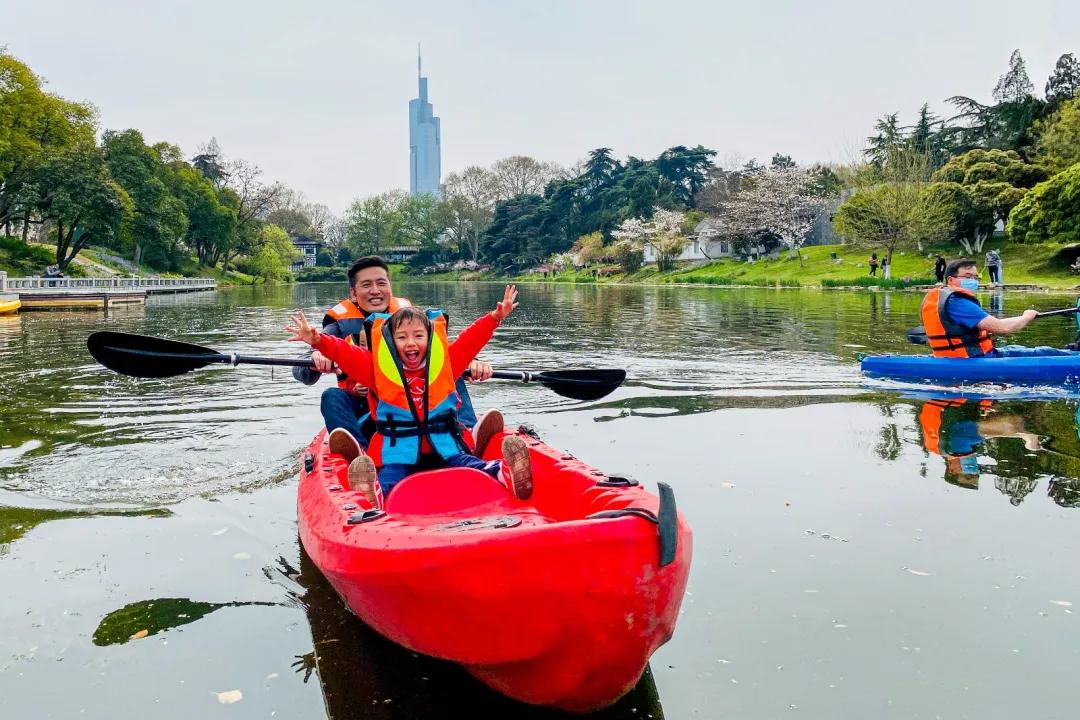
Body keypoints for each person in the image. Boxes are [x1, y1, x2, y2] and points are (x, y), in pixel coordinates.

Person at [287, 285, 532, 507]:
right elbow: (345, 353)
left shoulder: (446, 363)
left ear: (430, 339)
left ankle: (504, 471)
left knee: (470, 465)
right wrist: (318, 340)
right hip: (398, 453)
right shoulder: (376, 369)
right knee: (391, 478)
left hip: (445, 449)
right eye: (402, 337)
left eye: (418, 336)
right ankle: (374, 495)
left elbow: (471, 340)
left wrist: (496, 317)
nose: (410, 343)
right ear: (392, 343)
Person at [292, 256, 503, 461]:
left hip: (414, 405)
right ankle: (359, 457)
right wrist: (316, 357)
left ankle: (467, 431)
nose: (375, 291)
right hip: (369, 409)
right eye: (366, 285)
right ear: (353, 293)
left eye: (381, 283)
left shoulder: (411, 320)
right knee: (331, 395)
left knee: (445, 371)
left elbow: (447, 353)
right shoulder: (339, 326)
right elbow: (304, 371)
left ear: (390, 288)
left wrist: (472, 362)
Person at [920, 258, 1077, 358]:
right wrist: (1026, 317)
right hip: (974, 360)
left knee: (1021, 349)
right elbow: (1001, 328)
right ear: (951, 280)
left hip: (955, 357)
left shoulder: (942, 297)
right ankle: (1074, 357)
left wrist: (1023, 316)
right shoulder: (959, 302)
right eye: (968, 277)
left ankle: (1072, 354)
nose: (973, 281)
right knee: (1042, 353)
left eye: (976, 277)